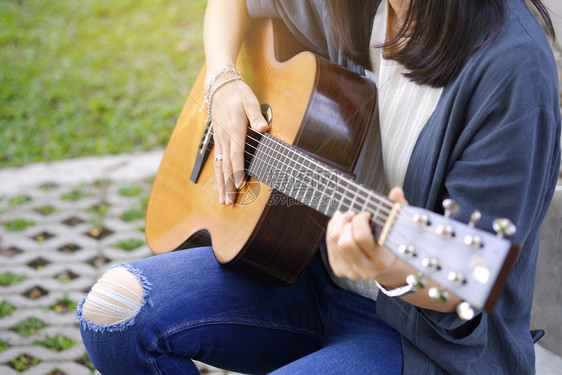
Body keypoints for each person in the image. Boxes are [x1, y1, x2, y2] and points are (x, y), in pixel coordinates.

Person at [76, 0, 561, 373]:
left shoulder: (511, 69)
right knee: (112, 312)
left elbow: (466, 284)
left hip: (427, 342)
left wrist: (390, 269)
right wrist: (222, 81)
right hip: (306, 272)